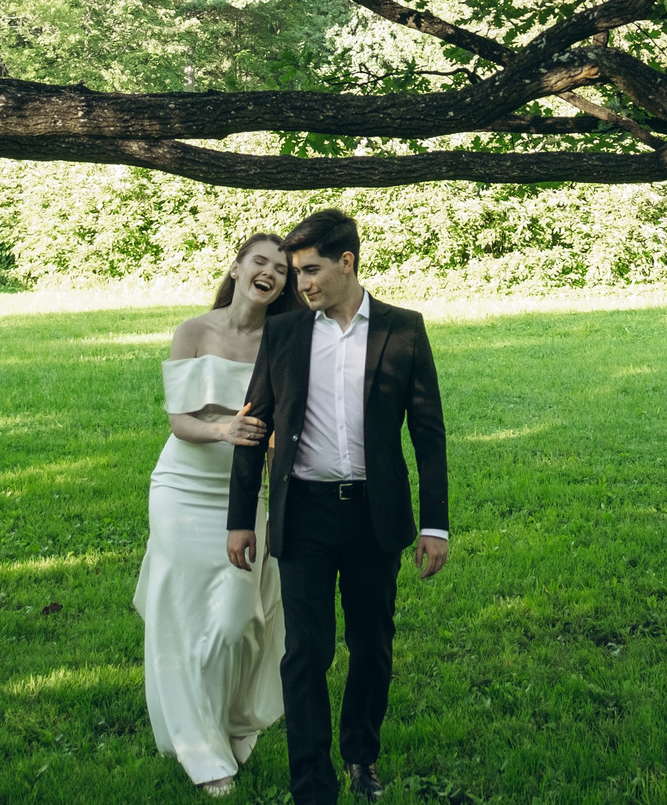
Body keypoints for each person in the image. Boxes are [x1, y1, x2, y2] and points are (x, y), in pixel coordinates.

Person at [226, 209, 449, 805]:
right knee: (307, 652)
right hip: (304, 515)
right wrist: (240, 519)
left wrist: (435, 524)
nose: (301, 284)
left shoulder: (403, 329)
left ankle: (360, 755)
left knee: (372, 645)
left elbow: (428, 432)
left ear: (347, 262)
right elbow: (253, 426)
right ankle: (311, 783)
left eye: (311, 270)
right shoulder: (287, 334)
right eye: (298, 273)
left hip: (374, 517)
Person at [138, 233, 297, 796]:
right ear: (236, 268)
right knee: (182, 618)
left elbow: (291, 428)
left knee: (236, 622)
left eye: (280, 268)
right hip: (182, 486)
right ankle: (202, 751)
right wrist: (223, 429)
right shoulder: (194, 332)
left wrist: (277, 444)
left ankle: (231, 720)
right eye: (260, 261)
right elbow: (180, 421)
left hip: (243, 496)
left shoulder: (284, 342)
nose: (270, 273)